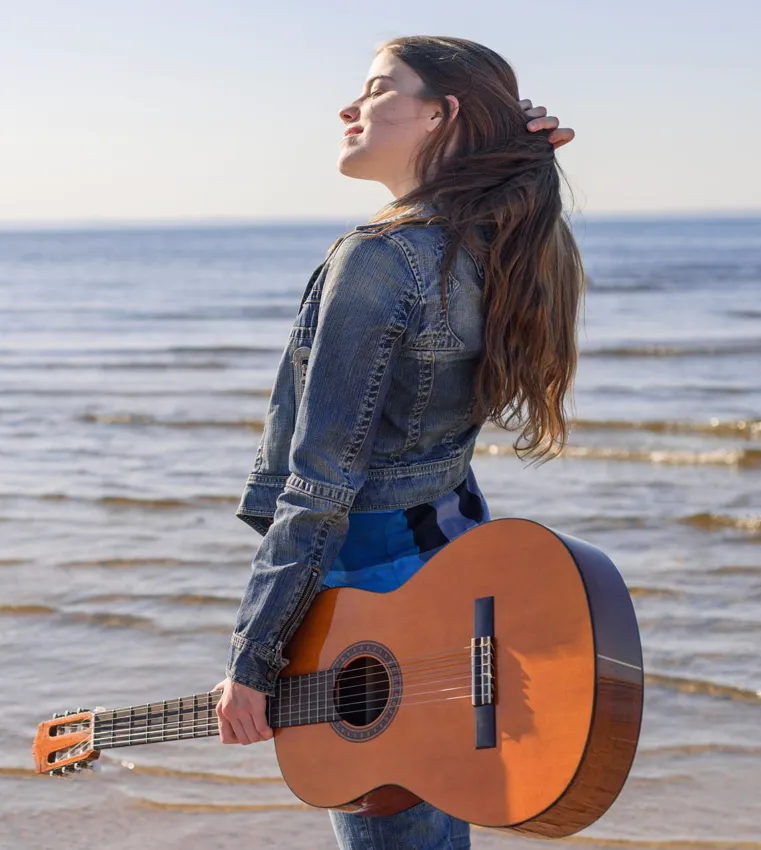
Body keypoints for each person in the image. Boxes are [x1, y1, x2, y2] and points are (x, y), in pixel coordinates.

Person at [212, 35, 586, 850]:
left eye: (379, 89)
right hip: (456, 576)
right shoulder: (505, 244)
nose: (350, 107)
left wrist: (254, 656)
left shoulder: (380, 261)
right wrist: (517, 149)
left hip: (370, 606)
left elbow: (320, 488)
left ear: (438, 115)